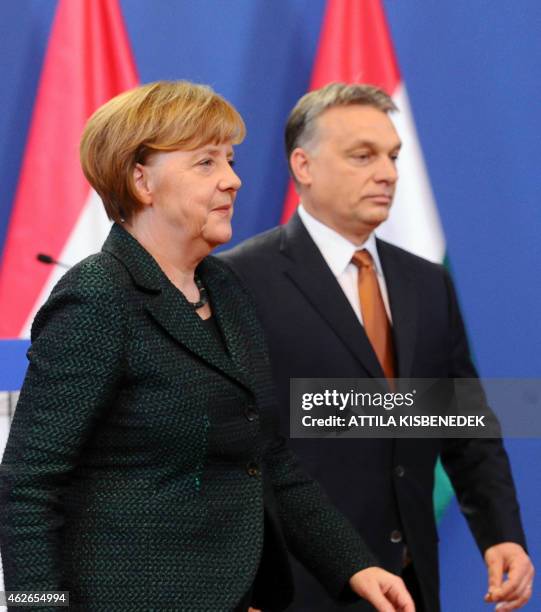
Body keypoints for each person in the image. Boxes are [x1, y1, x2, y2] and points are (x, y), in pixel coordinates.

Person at [0, 81, 415, 612]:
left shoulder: (226, 288)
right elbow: (30, 484)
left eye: (231, 160)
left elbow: (266, 457)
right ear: (141, 180)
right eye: (206, 164)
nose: (233, 180)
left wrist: (353, 563)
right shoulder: (97, 297)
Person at [221, 82, 534, 611]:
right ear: (304, 165)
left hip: (410, 585)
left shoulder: (426, 283)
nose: (387, 173)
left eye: (392, 156)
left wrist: (501, 532)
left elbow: (463, 420)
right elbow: (235, 449)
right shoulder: (239, 280)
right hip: (298, 589)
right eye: (362, 156)